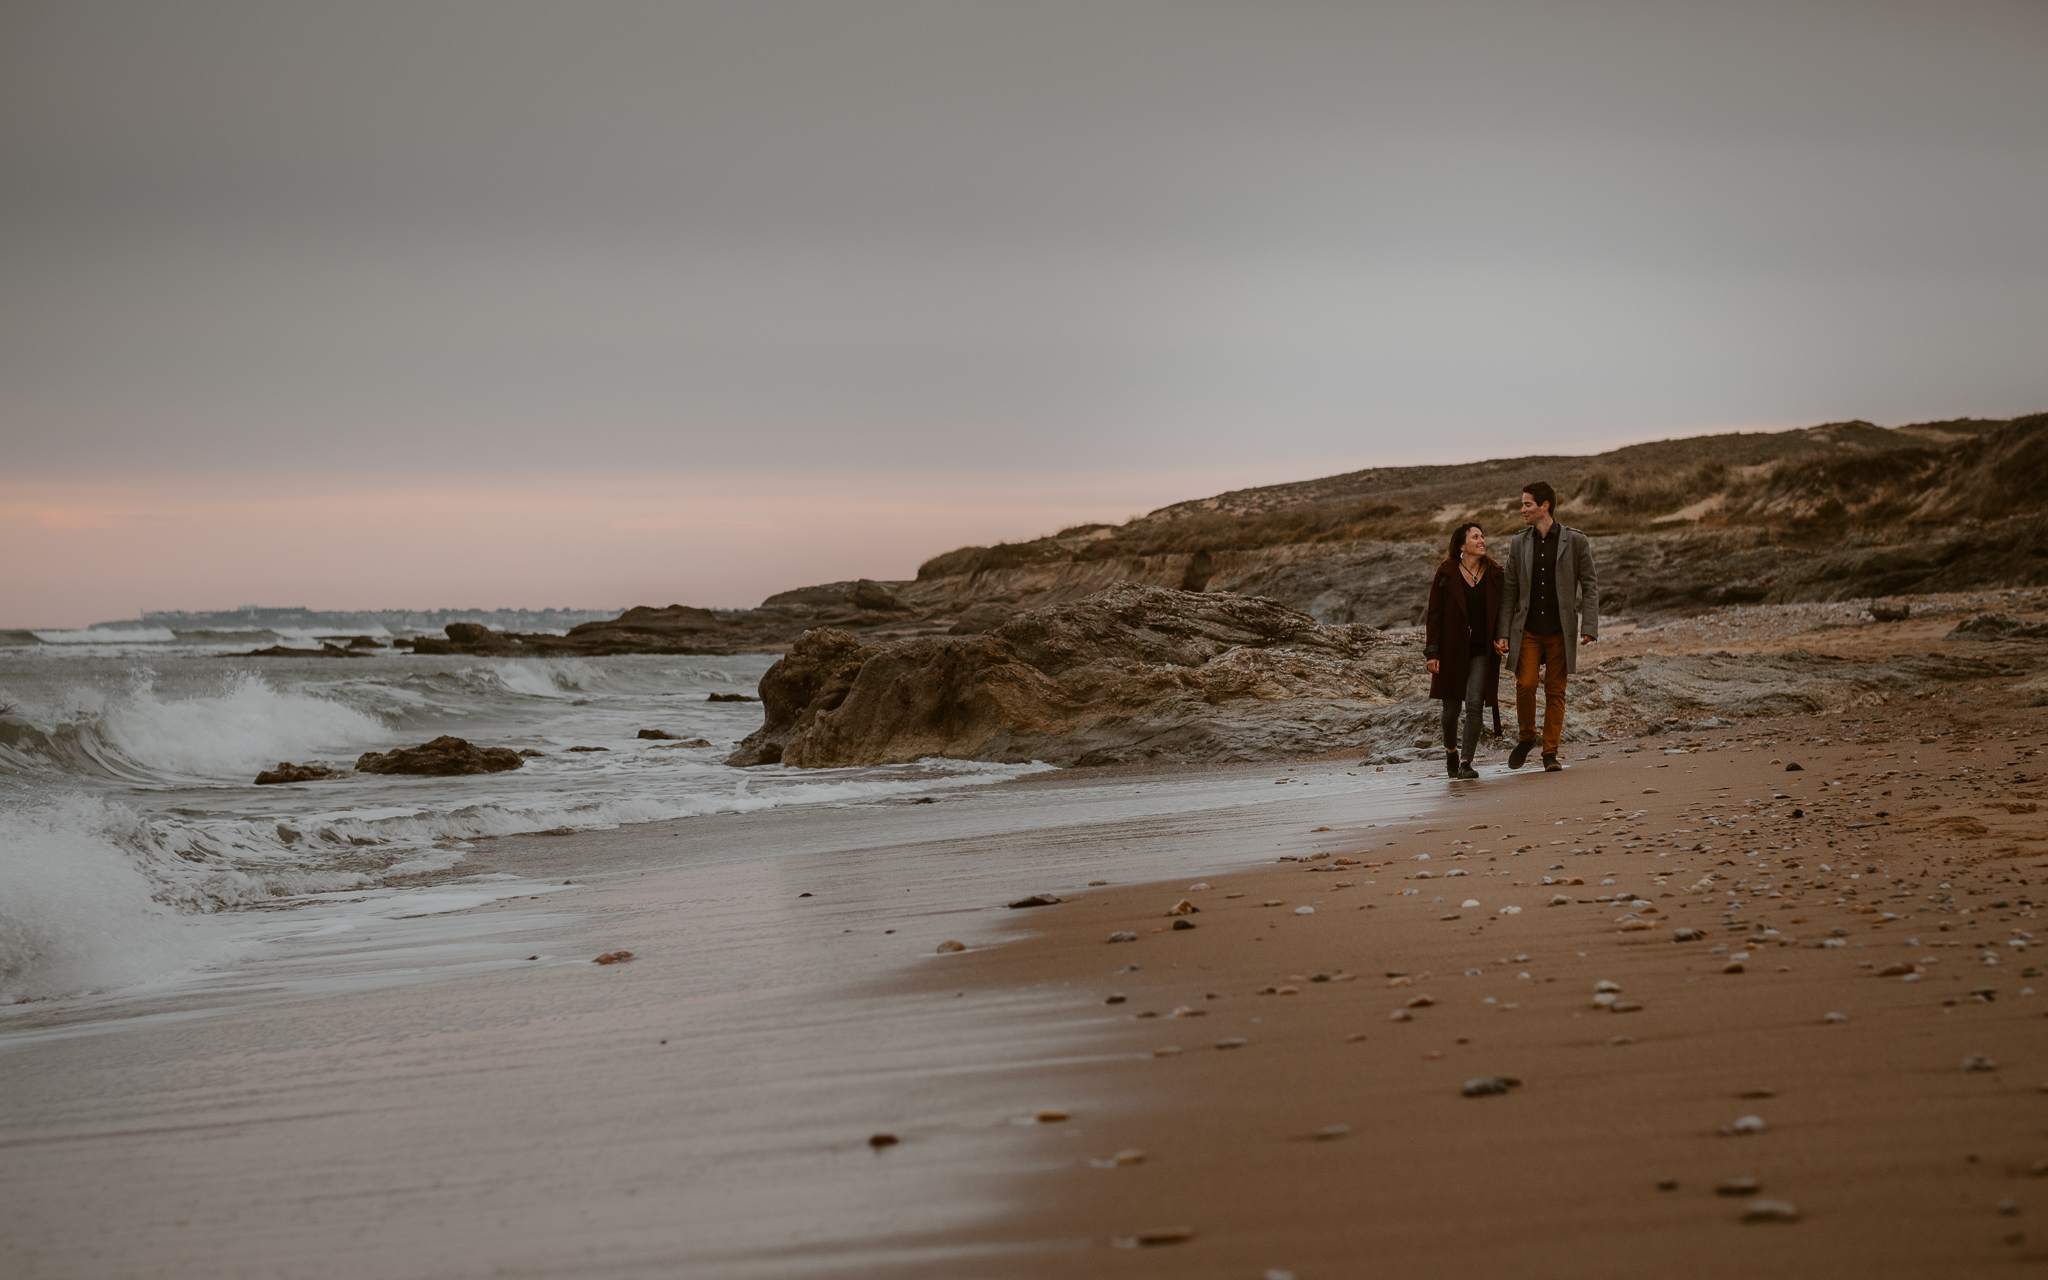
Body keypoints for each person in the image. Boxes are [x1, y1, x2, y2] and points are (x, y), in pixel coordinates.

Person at [1496, 480, 1598, 772]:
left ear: (1544, 506)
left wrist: (1589, 624)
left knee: (1556, 691)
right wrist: (1503, 632)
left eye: (1527, 504)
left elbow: (1590, 586)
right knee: (1525, 684)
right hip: (1526, 629)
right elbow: (1510, 591)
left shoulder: (1576, 540)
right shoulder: (1518, 543)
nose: (1522, 509)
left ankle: (1550, 753)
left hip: (1560, 630)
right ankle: (1527, 736)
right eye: (1523, 504)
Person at [1424, 522, 1507, 780]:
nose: (1482, 540)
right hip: (1451, 651)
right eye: (1475, 537)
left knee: (1474, 705)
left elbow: (1505, 608)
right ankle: (1451, 751)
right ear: (1462, 545)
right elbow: (1434, 615)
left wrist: (1501, 637)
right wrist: (1432, 652)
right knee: (1450, 712)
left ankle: (1465, 762)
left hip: (1482, 649)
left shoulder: (1494, 573)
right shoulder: (1446, 573)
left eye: (1482, 536)